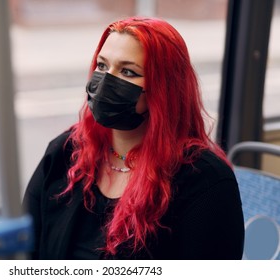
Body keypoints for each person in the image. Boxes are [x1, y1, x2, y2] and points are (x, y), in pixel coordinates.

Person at [24, 16, 245, 260]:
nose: (106, 80)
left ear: (164, 89)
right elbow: (23, 251)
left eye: (128, 71)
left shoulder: (204, 180)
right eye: (102, 66)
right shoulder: (65, 152)